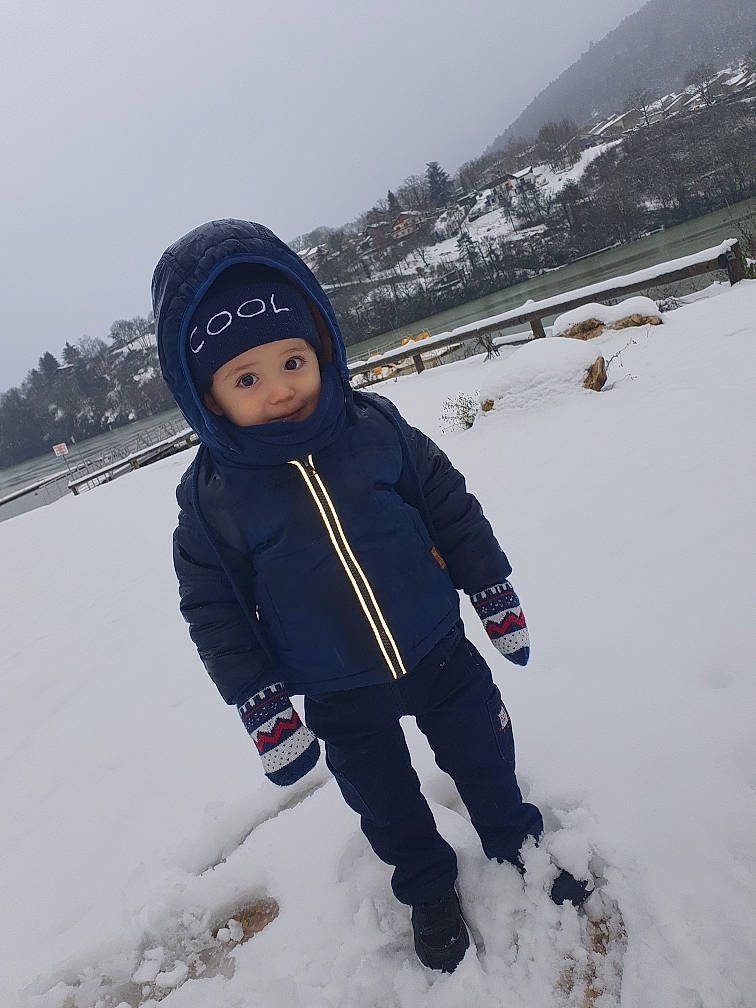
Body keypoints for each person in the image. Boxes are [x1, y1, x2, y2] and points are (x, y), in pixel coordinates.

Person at [153, 218, 592, 974]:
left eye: (293, 360)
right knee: (384, 803)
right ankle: (425, 885)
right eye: (247, 378)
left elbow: (449, 507)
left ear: (321, 347)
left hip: (438, 648)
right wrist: (262, 707)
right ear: (208, 397)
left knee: (483, 754)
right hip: (336, 689)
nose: (281, 388)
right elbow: (214, 613)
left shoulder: (377, 428)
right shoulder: (212, 499)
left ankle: (515, 840)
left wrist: (491, 592)